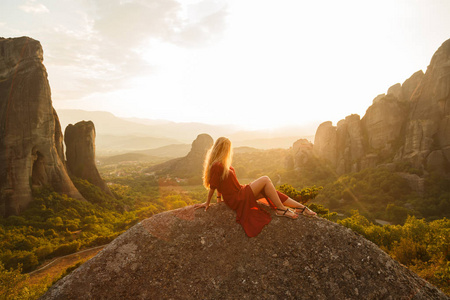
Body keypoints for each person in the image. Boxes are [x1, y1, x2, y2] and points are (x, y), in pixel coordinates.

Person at [195, 137, 316, 237]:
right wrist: (207, 203)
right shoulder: (217, 165)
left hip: (240, 192)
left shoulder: (221, 164)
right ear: (224, 149)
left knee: (269, 190)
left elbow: (221, 184)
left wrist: (219, 200)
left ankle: (301, 208)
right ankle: (281, 209)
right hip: (237, 198)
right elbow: (213, 186)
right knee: (265, 179)